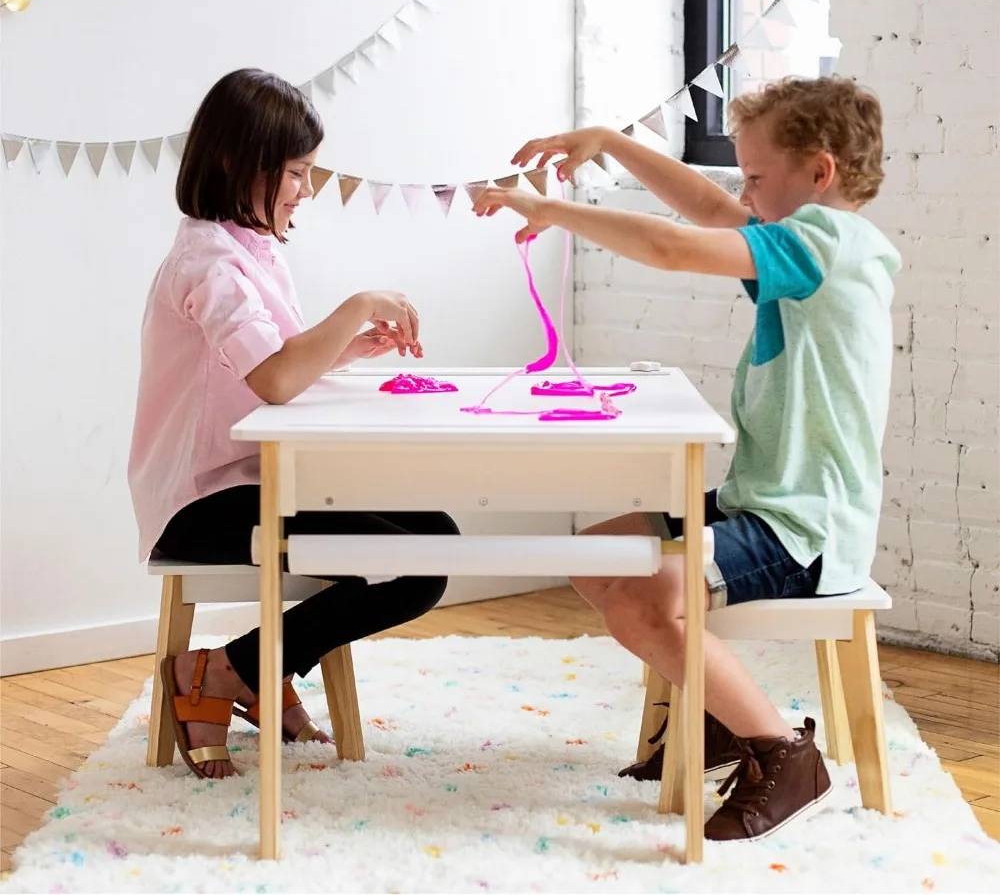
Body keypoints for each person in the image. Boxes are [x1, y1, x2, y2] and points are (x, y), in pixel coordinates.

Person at [472, 75, 900, 842]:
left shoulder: (823, 244)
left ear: (820, 173)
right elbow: (707, 212)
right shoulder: (803, 244)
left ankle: (784, 752)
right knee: (597, 555)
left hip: (805, 528)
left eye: (759, 178)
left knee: (643, 600)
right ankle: (723, 721)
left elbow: (675, 244)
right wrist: (607, 142)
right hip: (760, 502)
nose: (745, 193)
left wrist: (551, 211)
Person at [128, 68, 456, 780]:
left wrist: (347, 345)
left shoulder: (252, 248)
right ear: (235, 164)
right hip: (203, 503)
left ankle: (249, 667)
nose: (307, 190)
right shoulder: (207, 263)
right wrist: (358, 304)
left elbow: (279, 364)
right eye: (297, 173)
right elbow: (275, 379)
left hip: (258, 480)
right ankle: (219, 673)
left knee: (437, 537)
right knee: (419, 565)